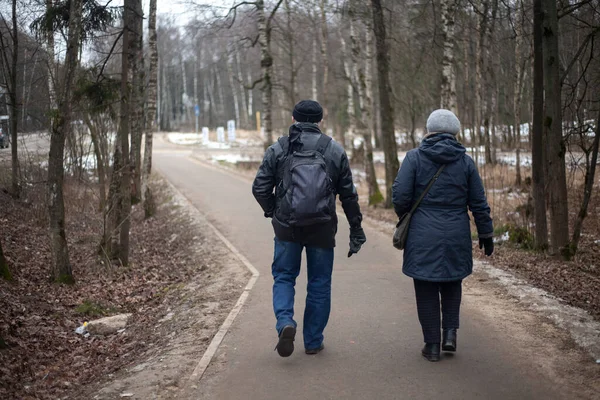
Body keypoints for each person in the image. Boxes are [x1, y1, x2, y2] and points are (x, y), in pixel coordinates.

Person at [252, 100, 366, 357]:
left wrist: (274, 211)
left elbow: (259, 187)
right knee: (319, 283)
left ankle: (285, 323)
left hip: (286, 228)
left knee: (283, 277)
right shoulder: (333, 149)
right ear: (319, 122)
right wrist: (356, 229)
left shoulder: (279, 148)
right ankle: (313, 341)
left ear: (293, 119)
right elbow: (349, 195)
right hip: (323, 229)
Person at [392, 109, 494, 362]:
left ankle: (432, 346)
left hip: (423, 232)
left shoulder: (414, 158)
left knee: (425, 287)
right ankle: (450, 335)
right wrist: (486, 232)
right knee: (452, 282)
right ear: (455, 133)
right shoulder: (465, 162)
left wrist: (410, 214)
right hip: (457, 231)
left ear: (429, 130)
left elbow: (400, 196)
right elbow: (478, 202)